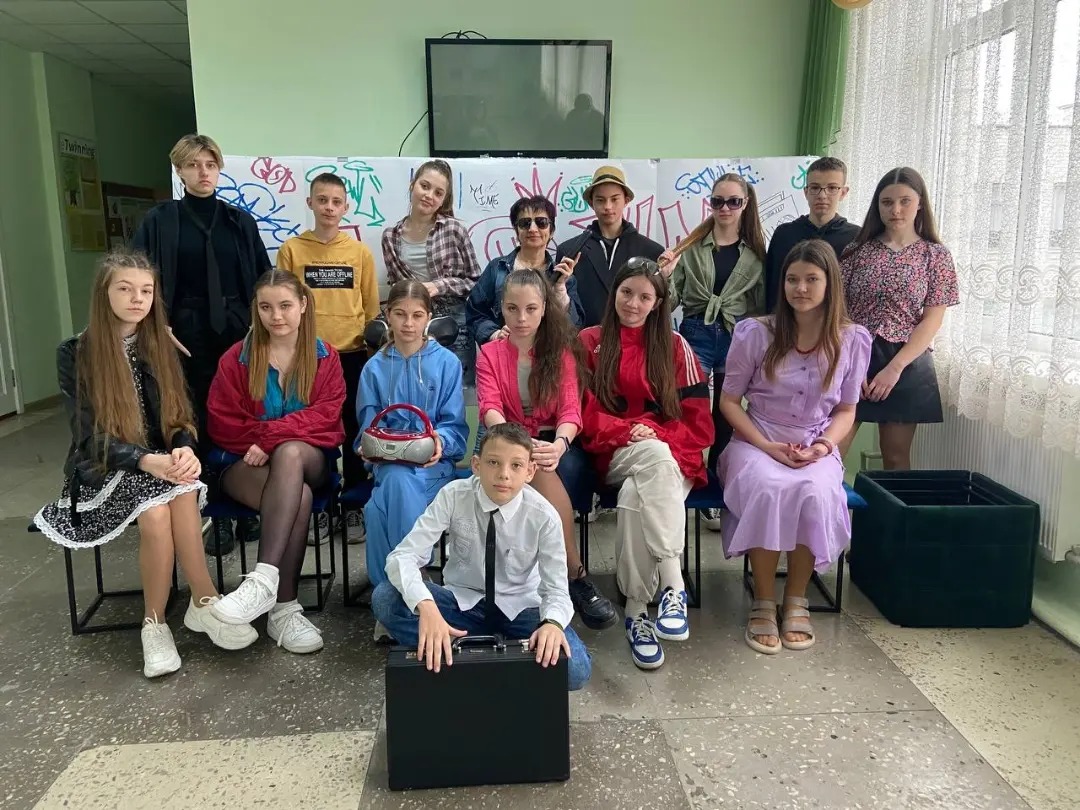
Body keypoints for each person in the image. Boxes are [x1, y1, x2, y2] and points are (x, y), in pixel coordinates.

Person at [32, 250, 257, 679]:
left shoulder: (159, 345)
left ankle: (203, 602)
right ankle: (154, 624)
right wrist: (144, 459)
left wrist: (184, 447)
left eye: (146, 291)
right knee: (155, 512)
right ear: (104, 293)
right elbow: (88, 437)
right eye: (125, 289)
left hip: (158, 463)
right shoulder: (76, 352)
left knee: (184, 488)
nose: (137, 298)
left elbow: (180, 416)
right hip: (104, 468)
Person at [718, 240, 872, 654]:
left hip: (815, 440)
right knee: (770, 487)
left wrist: (823, 446)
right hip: (756, 439)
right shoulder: (756, 333)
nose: (800, 288)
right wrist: (767, 446)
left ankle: (796, 598)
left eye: (811, 279)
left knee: (814, 490)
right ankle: (764, 599)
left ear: (830, 283)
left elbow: (847, 410)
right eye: (792, 279)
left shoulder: (852, 339)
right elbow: (729, 403)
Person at [372, 423, 592, 691]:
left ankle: (467, 660)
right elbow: (403, 556)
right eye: (493, 462)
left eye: (516, 465)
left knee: (576, 669)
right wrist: (426, 607)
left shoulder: (543, 516)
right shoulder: (454, 496)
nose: (504, 474)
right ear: (476, 465)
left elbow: (556, 589)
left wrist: (552, 624)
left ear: (530, 471)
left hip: (520, 609)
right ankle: (476, 654)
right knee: (385, 598)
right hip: (464, 604)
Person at [134, 133, 272, 555]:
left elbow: (262, 277)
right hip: (183, 334)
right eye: (194, 165)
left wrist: (260, 325)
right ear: (179, 170)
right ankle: (214, 511)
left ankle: (245, 505)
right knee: (195, 416)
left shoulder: (238, 221)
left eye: (210, 165)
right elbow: (138, 277)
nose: (203, 172)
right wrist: (158, 325)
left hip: (237, 331)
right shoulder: (160, 221)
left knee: (242, 411)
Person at [579, 258, 713, 670]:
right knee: (650, 459)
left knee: (637, 494)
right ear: (614, 293)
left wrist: (656, 434)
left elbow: (699, 424)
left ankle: (637, 613)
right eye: (626, 292)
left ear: (658, 303)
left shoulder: (675, 346)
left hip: (675, 454)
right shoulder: (588, 341)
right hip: (616, 451)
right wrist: (629, 431)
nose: (633, 303)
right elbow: (584, 414)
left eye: (644, 296)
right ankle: (673, 585)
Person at [205, 270, 345, 654]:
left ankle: (261, 580)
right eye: (266, 307)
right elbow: (222, 422)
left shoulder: (326, 357)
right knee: (298, 496)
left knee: (291, 453)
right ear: (256, 309)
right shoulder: (236, 359)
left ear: (303, 305)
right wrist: (268, 441)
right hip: (243, 464)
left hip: (310, 459)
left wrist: (271, 438)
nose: (276, 316)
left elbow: (326, 417)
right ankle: (283, 608)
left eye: (285, 305)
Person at [475, 270, 616, 630]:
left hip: (556, 441)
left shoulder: (561, 351)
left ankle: (553, 580)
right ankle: (574, 575)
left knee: (550, 467)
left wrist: (559, 445)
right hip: (507, 439)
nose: (521, 318)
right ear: (502, 308)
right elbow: (490, 407)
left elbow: (570, 410)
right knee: (533, 471)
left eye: (530, 309)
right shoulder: (489, 353)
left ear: (543, 309)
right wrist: (518, 447)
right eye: (512, 308)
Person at [357, 280, 468, 640]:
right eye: (400, 314)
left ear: (428, 317)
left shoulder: (447, 363)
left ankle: (391, 602)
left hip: (434, 468)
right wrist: (367, 447)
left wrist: (438, 442)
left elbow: (456, 429)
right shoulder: (374, 368)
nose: (408, 323)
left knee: (379, 509)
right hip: (388, 468)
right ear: (387, 316)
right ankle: (413, 588)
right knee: (389, 488)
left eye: (417, 315)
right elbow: (365, 429)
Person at [276, 172, 380, 543]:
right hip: (308, 357)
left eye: (336, 202)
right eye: (322, 200)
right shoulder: (292, 249)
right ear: (310, 203)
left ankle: (352, 507)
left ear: (346, 207)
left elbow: (371, 308)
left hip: (352, 354)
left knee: (353, 427)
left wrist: (372, 353)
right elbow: (283, 303)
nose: (329, 208)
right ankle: (320, 508)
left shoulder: (359, 252)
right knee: (313, 430)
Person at [838, 167, 959, 470]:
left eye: (905, 201)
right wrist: (852, 365)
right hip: (854, 355)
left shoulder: (936, 256)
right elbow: (839, 313)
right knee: (831, 452)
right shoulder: (856, 251)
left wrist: (894, 369)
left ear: (920, 204)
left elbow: (932, 320)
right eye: (887, 202)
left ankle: (890, 507)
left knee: (895, 457)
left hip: (906, 361)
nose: (895, 210)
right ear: (877, 206)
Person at [670, 172, 767, 514]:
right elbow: (671, 300)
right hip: (695, 330)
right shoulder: (691, 248)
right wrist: (663, 277)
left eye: (733, 201)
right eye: (717, 201)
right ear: (710, 204)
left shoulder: (755, 255)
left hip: (735, 334)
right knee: (689, 409)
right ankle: (688, 478)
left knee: (726, 413)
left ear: (745, 204)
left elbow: (759, 308)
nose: (725, 208)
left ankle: (717, 484)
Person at [381, 159, 482, 383]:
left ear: (444, 199)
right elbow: (396, 287)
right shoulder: (390, 237)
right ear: (412, 185)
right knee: (415, 385)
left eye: (438, 193)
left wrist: (439, 286)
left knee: (457, 387)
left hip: (454, 322)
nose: (429, 196)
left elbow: (476, 281)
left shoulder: (454, 230)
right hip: (412, 323)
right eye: (424, 186)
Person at [556, 165, 669, 327]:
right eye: (600, 200)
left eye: (615, 199)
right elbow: (562, 307)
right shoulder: (569, 251)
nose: (608, 207)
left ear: (626, 200)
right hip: (582, 339)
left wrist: (667, 275)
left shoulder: (651, 251)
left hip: (635, 338)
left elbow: (662, 307)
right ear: (591, 203)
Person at [465, 194, 584, 346]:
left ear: (552, 231)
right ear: (516, 231)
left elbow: (574, 327)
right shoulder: (497, 269)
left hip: (549, 354)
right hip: (506, 352)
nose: (533, 229)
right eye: (525, 223)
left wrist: (560, 290)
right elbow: (474, 313)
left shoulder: (564, 276)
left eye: (541, 222)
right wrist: (494, 334)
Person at [764, 157, 860, 313]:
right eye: (815, 187)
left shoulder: (857, 238)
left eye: (832, 188)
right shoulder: (784, 234)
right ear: (806, 192)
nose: (822, 195)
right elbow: (771, 287)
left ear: (843, 193)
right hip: (787, 322)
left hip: (836, 324)